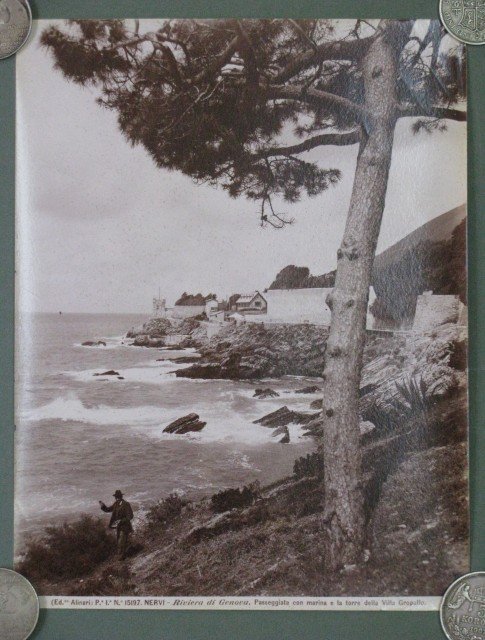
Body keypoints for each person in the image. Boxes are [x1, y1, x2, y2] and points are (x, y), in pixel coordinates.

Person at [99, 490, 134, 559]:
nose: (117, 498)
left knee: (121, 540)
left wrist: (121, 520)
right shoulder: (116, 504)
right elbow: (108, 509)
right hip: (118, 526)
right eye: (116, 497)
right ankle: (122, 555)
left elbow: (130, 516)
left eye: (118, 496)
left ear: (121, 496)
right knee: (119, 540)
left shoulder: (126, 504)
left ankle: (122, 556)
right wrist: (103, 506)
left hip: (125, 526)